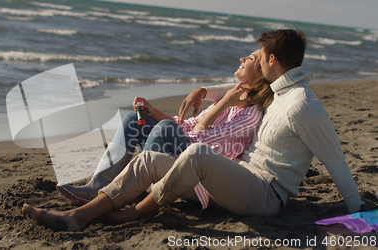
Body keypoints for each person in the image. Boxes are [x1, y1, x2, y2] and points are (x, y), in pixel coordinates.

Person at [22, 29, 364, 231]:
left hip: (266, 195)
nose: (254, 61)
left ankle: (131, 213)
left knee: (195, 152)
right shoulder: (277, 94)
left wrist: (363, 218)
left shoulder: (303, 103)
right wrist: (204, 92)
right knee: (149, 160)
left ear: (272, 61)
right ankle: (77, 216)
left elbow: (336, 162)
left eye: (258, 57)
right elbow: (241, 95)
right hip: (238, 179)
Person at [56, 49, 273, 206]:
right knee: (134, 118)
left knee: (167, 128)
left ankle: (132, 188)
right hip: (180, 152)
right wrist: (152, 111)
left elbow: (198, 142)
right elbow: (186, 126)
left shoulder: (249, 115)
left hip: (196, 175)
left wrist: (223, 103)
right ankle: (98, 184)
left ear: (260, 74)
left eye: (251, 58)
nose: (242, 58)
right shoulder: (230, 98)